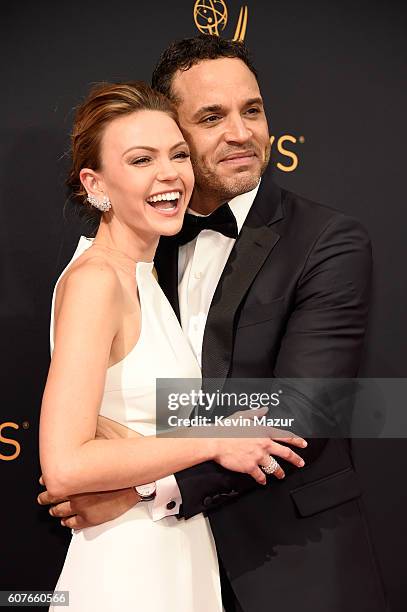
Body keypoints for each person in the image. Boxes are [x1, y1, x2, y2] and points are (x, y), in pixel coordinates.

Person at [38, 37, 388, 611]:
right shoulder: (137, 254)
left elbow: (304, 406)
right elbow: (89, 435)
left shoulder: (327, 239)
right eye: (210, 118)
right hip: (153, 564)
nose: (240, 132)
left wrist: (140, 487)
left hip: (290, 563)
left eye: (252, 110)